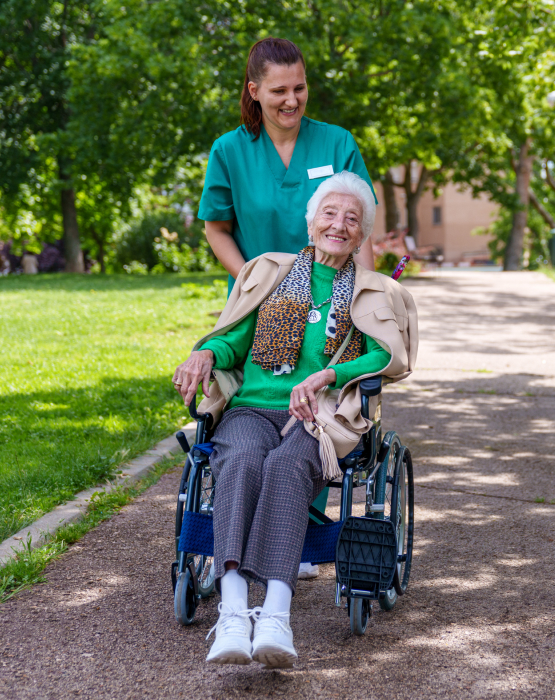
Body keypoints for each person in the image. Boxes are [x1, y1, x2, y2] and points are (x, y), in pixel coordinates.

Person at [173, 172, 417, 668]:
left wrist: (329, 373)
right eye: (330, 213)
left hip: (320, 416)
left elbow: (384, 358)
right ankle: (235, 611)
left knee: (286, 467)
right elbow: (232, 340)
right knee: (239, 458)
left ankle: (277, 616)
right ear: (311, 223)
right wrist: (205, 354)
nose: (339, 225)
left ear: (361, 234)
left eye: (352, 219)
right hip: (253, 407)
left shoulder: (372, 292)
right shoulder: (270, 273)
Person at [199, 36, 378, 577]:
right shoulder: (230, 150)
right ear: (254, 91)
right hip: (263, 299)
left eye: (300, 87)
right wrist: (258, 285)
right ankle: (250, 527)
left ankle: (298, 528)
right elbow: (216, 227)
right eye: (278, 90)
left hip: (336, 293)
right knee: (260, 401)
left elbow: (361, 222)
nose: (292, 100)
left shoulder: (336, 142)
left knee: (314, 400)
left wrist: (367, 298)